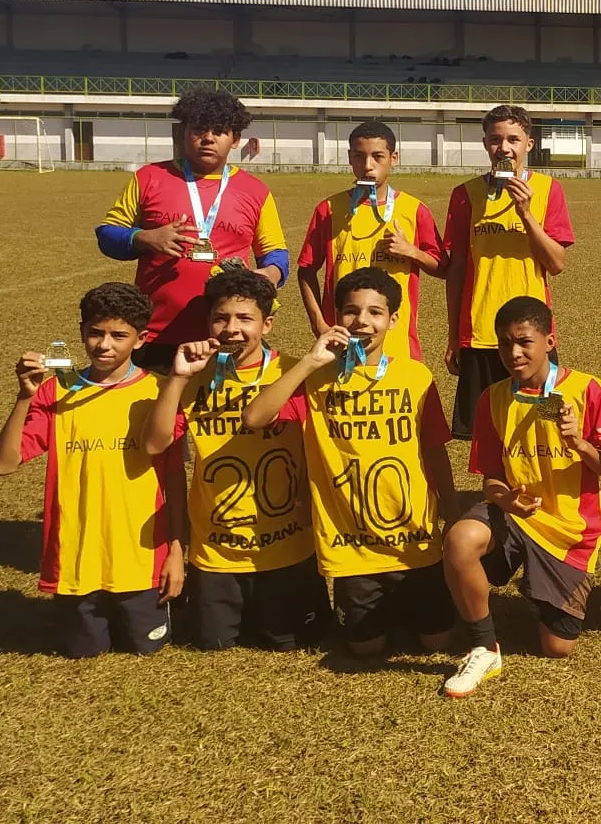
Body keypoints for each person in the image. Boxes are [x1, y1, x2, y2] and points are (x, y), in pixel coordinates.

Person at [242, 268, 459, 659]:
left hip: (415, 540)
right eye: (350, 311)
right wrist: (309, 362)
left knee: (437, 644)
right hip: (350, 547)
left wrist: (452, 504)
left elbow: (433, 449)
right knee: (365, 649)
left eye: (375, 312)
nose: (362, 321)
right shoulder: (315, 380)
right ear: (335, 316)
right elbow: (254, 418)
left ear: (394, 320)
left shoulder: (416, 376)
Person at [440, 296, 601, 697]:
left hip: (569, 532)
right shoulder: (492, 398)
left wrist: (579, 442)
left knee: (558, 648)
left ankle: (543, 589)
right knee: (459, 539)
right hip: (513, 516)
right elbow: (491, 480)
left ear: (549, 340)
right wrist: (507, 501)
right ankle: (484, 646)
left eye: (524, 341)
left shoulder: (587, 388)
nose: (514, 353)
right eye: (505, 343)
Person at [0, 282, 185, 658]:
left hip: (141, 559)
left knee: (145, 649)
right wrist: (24, 397)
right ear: (82, 332)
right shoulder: (56, 391)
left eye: (118, 335)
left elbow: (175, 479)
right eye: (95, 333)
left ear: (141, 339)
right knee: (83, 651)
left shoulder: (159, 392)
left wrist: (176, 552)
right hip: (77, 561)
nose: (104, 345)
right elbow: (4, 464)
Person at [140, 269, 328, 652]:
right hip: (216, 551)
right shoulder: (193, 375)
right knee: (212, 641)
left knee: (289, 641)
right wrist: (176, 379)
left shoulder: (292, 371)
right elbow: (155, 445)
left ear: (267, 322)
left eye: (245, 319)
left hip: (287, 547)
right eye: (221, 318)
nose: (231, 329)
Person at [96, 87, 288, 370]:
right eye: (199, 129)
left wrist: (269, 274)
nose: (208, 138)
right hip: (156, 333)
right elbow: (107, 234)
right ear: (184, 132)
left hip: (227, 335)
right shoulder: (149, 178)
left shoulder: (255, 190)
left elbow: (275, 252)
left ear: (235, 140)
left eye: (219, 131)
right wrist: (144, 237)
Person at [442, 105, 575, 440]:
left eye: (513, 139)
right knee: (485, 431)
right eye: (495, 140)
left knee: (541, 423)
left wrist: (526, 213)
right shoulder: (465, 195)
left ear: (528, 143)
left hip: (532, 331)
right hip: (480, 331)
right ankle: (497, 494)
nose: (504, 148)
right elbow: (456, 270)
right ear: (486, 144)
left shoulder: (548, 190)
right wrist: (452, 336)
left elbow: (557, 264)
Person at [296, 119, 443, 359]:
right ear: (349, 157)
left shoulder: (414, 210)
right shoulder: (328, 209)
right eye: (358, 156)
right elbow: (306, 270)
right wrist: (319, 324)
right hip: (341, 338)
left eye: (377, 157)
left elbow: (443, 268)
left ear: (393, 158)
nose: (367, 165)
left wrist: (412, 252)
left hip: (397, 343)